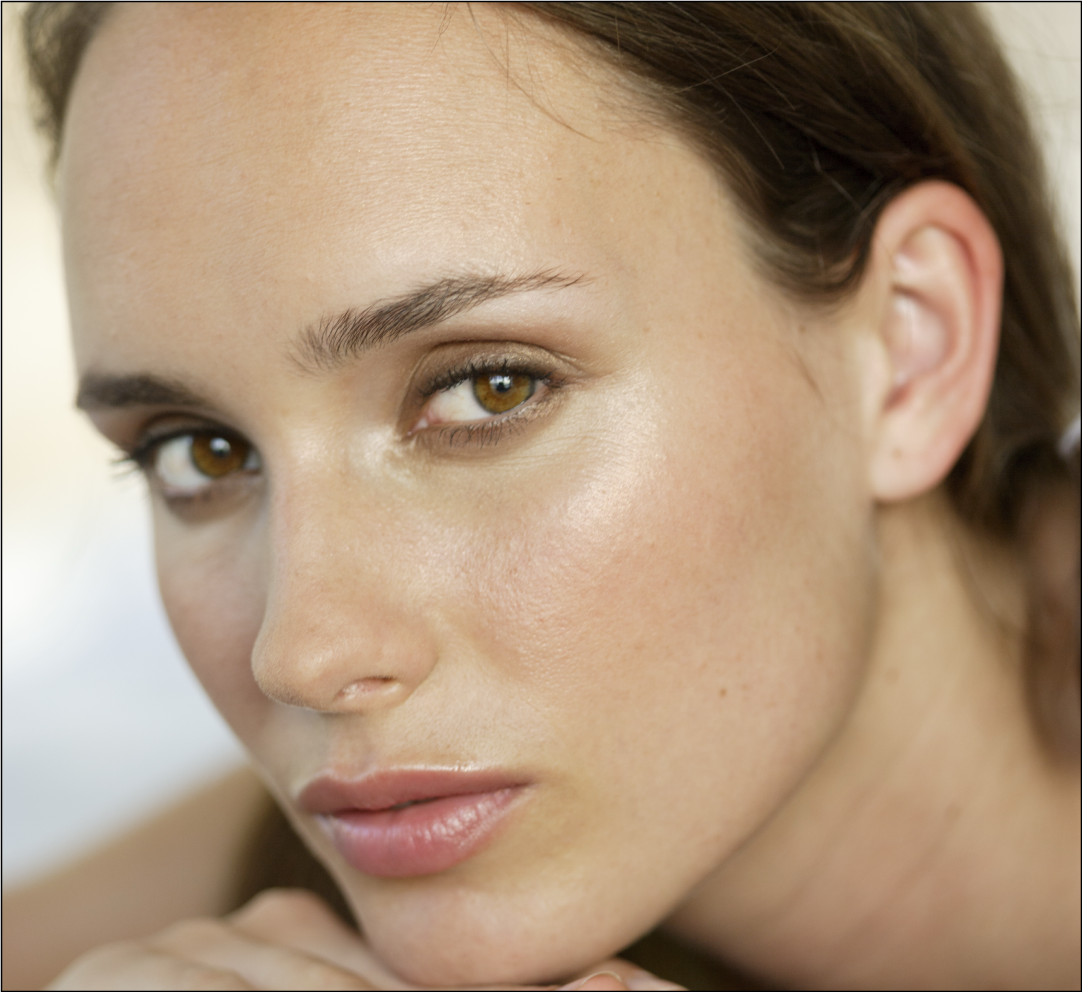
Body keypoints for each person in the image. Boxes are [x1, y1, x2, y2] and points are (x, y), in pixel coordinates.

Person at [3, 3, 1079, 990]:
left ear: (906, 345)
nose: (301, 656)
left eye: (487, 388)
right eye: (200, 450)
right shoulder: (300, 860)